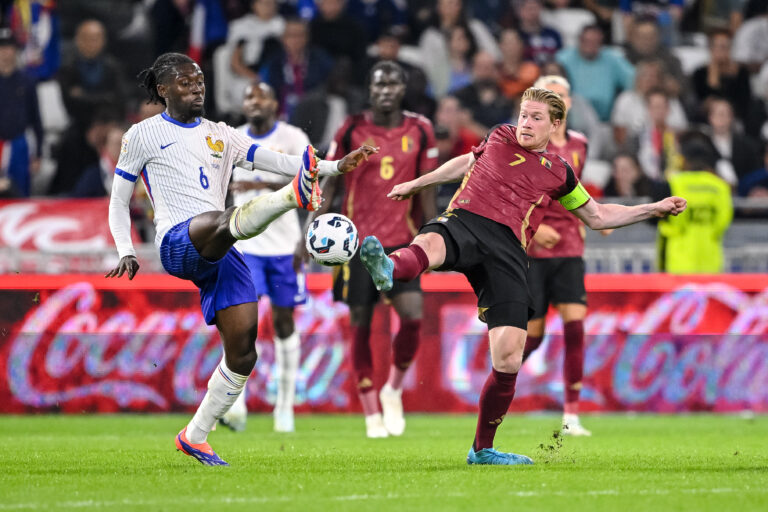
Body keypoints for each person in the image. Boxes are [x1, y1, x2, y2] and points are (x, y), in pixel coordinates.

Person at [359, 86, 686, 465]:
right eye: (523, 115)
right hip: (466, 219)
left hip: (508, 251)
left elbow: (598, 217)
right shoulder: (498, 136)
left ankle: (482, 450)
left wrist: (654, 208)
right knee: (431, 244)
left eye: (535, 118)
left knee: (510, 356)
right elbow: (465, 164)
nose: (525, 124)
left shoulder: (560, 172)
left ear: (555, 125)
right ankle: (388, 267)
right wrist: (419, 183)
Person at [106, 53, 375, 466]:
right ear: (162, 89)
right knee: (222, 220)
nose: (196, 87)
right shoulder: (142, 135)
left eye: (199, 81)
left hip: (221, 250)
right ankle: (291, 198)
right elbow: (119, 200)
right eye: (184, 81)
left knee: (244, 351)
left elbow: (283, 161)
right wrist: (126, 248)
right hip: (179, 242)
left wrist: (337, 166)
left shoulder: (221, 134)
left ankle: (195, 435)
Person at [306, 60, 438, 438]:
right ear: (370, 88)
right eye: (378, 84)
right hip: (354, 246)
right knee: (360, 327)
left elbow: (427, 188)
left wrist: (432, 237)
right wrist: (311, 228)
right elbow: (328, 180)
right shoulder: (351, 128)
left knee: (413, 317)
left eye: (392, 84)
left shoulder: (421, 129)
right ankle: (370, 414)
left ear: (402, 89)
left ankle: (392, 389)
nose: (385, 91)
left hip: (401, 243)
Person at [218, 81, 311, 434]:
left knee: (284, 323)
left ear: (275, 102)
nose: (254, 101)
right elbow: (220, 188)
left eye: (261, 95)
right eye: (248, 97)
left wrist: (259, 186)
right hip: (245, 247)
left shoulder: (293, 137)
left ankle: (284, 406)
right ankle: (235, 404)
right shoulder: (231, 139)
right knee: (243, 324)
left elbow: (307, 182)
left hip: (284, 246)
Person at [519, 75, 592, 437]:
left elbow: (576, 189)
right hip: (535, 249)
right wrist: (533, 227)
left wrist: (594, 216)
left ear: (567, 105)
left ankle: (572, 415)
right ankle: (499, 381)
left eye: (561, 95)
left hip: (570, 249)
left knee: (575, 328)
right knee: (533, 336)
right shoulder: (528, 145)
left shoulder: (580, 144)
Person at [656, 132, 733, 274]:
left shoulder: (674, 183)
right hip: (710, 260)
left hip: (678, 261)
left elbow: (659, 217)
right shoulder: (720, 187)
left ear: (684, 159)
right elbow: (723, 222)